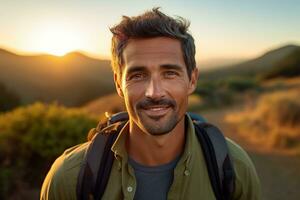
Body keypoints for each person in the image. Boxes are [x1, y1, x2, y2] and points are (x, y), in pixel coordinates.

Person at [40, 8, 261, 200]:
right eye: (137, 75)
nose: (154, 92)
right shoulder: (69, 177)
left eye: (170, 73)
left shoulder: (234, 167)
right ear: (119, 84)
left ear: (192, 80)